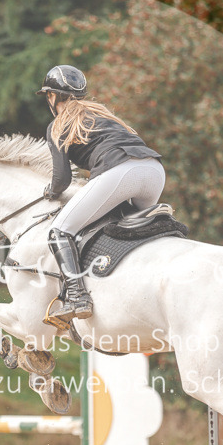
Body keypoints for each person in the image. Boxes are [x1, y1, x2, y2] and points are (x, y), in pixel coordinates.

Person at [37, 64, 166, 325]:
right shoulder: (104, 116)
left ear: (53, 96)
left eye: (48, 95)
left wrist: (50, 191)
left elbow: (62, 180)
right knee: (125, 227)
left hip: (121, 172)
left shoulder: (58, 125)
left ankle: (76, 296)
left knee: (59, 231)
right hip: (154, 171)